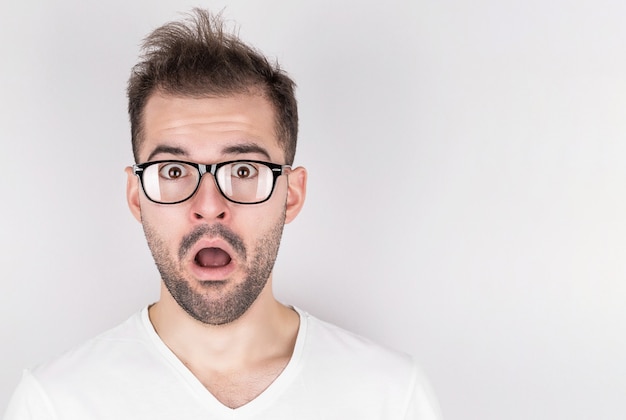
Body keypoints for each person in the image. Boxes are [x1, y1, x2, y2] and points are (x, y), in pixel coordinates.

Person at [3, 8, 441, 420]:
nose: (210, 206)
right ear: (137, 196)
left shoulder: (390, 397)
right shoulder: (56, 404)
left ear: (291, 194)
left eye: (244, 170)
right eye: (173, 170)